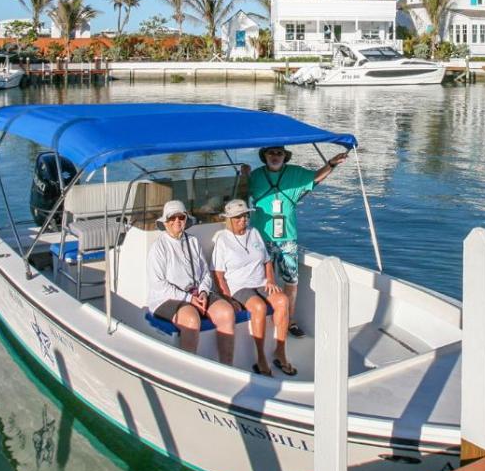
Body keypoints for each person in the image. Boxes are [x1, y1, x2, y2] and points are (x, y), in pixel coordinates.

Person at [243, 144, 348, 337]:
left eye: (279, 153)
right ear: (265, 156)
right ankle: (262, 318)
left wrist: (332, 163)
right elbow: (240, 195)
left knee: (291, 281)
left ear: (285, 156)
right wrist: (244, 176)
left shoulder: (295, 173)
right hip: (261, 239)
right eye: (271, 153)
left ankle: (289, 320)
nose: (275, 156)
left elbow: (316, 176)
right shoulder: (255, 176)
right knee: (260, 280)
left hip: (288, 239)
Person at [145, 200, 237, 363]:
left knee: (226, 312)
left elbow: (205, 273)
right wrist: (189, 299)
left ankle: (227, 366)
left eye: (181, 217)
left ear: (186, 219)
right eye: (172, 218)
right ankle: (188, 370)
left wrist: (203, 292)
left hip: (195, 293)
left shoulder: (193, 241)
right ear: (165, 222)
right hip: (165, 299)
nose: (177, 221)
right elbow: (158, 285)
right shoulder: (158, 247)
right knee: (191, 319)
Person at [211, 199, 293, 376]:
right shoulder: (222, 240)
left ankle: (280, 351)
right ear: (229, 219)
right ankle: (261, 357)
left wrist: (270, 280)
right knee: (259, 307)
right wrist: (228, 298)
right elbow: (218, 274)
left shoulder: (254, 232)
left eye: (245, 215)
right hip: (239, 286)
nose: (243, 219)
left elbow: (267, 261)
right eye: (238, 217)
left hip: (260, 282)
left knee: (282, 300)